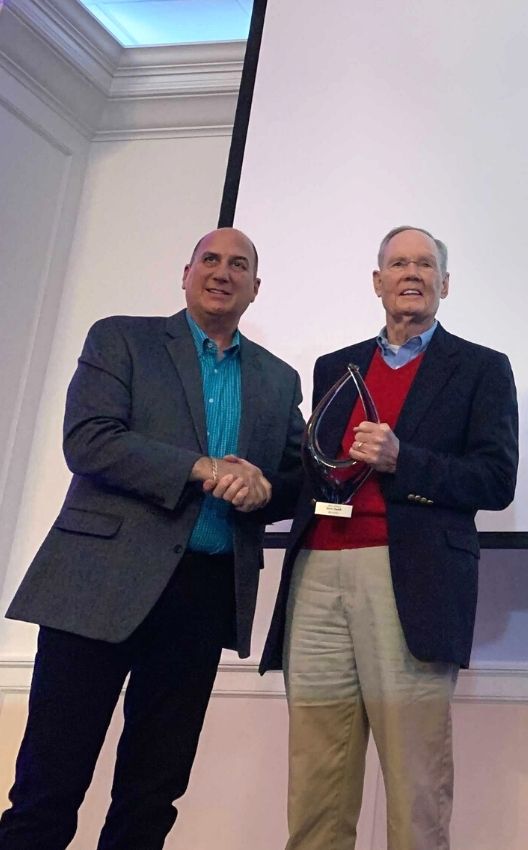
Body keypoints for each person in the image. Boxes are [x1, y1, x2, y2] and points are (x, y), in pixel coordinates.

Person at [0, 227, 305, 850]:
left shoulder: (278, 379)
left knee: (152, 794)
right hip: (97, 585)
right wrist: (203, 469)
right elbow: (90, 440)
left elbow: (297, 480)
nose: (223, 272)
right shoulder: (122, 338)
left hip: (202, 596)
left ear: (256, 287)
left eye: (239, 265)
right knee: (48, 786)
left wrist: (265, 489)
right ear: (185, 272)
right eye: (210, 260)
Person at [259, 225, 518, 850]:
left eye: (425, 264)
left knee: (414, 781)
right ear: (377, 282)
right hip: (317, 575)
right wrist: (257, 481)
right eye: (398, 263)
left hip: (409, 581)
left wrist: (406, 459)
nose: (412, 273)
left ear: (444, 284)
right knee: (316, 779)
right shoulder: (335, 368)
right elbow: (313, 465)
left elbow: (496, 478)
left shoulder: (481, 368)